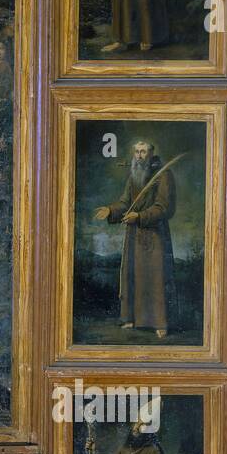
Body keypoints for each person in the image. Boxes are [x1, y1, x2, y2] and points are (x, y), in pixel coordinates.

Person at [93, 139, 177, 338]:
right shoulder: (133, 176)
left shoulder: (163, 174)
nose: (139, 155)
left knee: (155, 278)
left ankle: (160, 323)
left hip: (155, 235)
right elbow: (125, 203)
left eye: (143, 151)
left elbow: (164, 207)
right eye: (137, 151)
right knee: (133, 276)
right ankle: (132, 318)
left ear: (151, 153)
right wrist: (110, 210)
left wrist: (139, 216)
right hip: (133, 235)